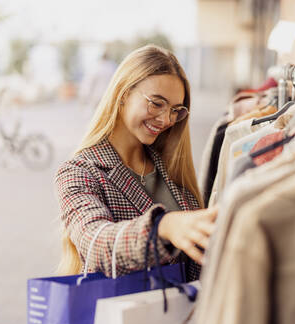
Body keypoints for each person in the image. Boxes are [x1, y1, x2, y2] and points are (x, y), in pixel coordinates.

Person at [55, 45, 217, 281]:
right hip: (117, 315)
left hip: (183, 315)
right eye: (156, 103)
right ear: (122, 94)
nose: (166, 120)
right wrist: (163, 227)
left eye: (175, 110)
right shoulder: (79, 172)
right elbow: (95, 243)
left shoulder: (173, 170)